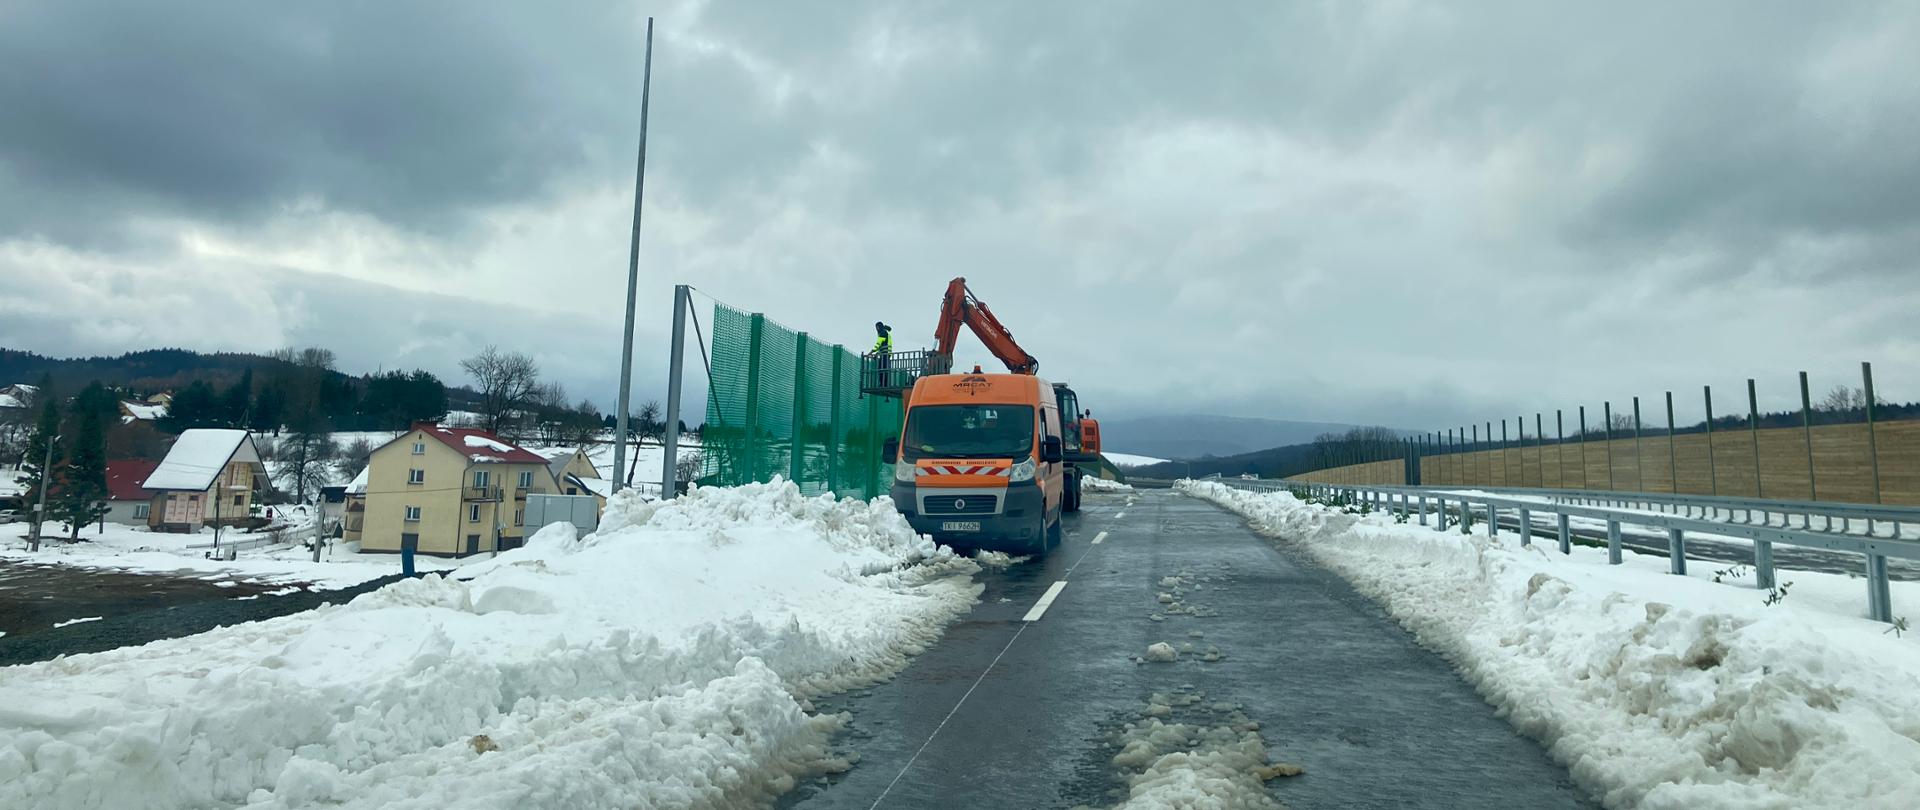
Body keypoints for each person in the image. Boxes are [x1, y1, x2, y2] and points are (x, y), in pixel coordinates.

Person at [872, 321, 893, 386]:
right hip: (886, 353)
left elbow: (878, 344)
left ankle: (883, 384)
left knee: (881, 369)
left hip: (885, 354)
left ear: (878, 327)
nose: (876, 329)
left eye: (876, 327)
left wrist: (872, 351)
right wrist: (877, 354)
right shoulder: (885, 332)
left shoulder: (882, 332)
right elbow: (883, 345)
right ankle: (885, 383)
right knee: (884, 369)